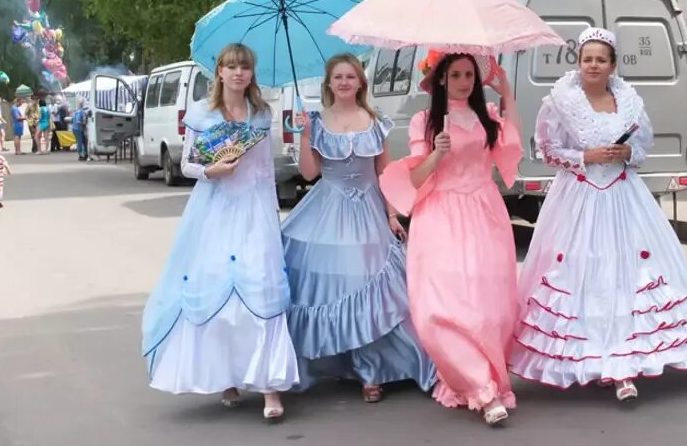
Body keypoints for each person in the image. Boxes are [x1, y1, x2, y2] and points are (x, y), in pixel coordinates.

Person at [509, 28, 687, 401]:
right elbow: (546, 149)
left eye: (600, 59)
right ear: (578, 62)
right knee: (584, 273)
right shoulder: (561, 101)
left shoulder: (628, 101)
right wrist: (587, 157)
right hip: (578, 198)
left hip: (624, 197)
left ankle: (626, 363)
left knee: (627, 272)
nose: (593, 65)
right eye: (587, 59)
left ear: (612, 65)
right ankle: (590, 358)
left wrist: (625, 154)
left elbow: (642, 144)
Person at [141, 43, 297, 421]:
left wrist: (270, 208)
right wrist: (213, 170)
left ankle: (269, 386)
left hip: (255, 211)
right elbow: (190, 163)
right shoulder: (202, 114)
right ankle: (227, 376)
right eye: (232, 67)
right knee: (217, 289)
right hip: (214, 211)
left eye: (245, 67)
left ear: (251, 73)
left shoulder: (261, 115)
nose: (239, 73)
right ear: (220, 73)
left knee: (260, 286)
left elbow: (264, 171)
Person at [281, 54, 436, 403]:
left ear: (360, 82)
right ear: (329, 83)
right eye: (338, 77)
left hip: (368, 211)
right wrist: (305, 135)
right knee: (334, 289)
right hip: (328, 211)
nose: (344, 82)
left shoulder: (375, 121)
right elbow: (309, 173)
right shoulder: (317, 121)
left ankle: (373, 371)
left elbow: (384, 173)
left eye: (350, 76)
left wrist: (392, 215)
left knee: (371, 289)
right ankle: (342, 364)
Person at [379, 52, 522, 426]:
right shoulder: (423, 121)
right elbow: (413, 178)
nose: (463, 81)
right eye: (456, 74)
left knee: (490, 303)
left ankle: (486, 376)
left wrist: (504, 88)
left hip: (484, 212)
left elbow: (510, 145)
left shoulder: (487, 115)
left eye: (469, 75)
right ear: (440, 79)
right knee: (441, 306)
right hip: (439, 215)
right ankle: (481, 389)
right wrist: (436, 155)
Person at [71, 97, 90, 161]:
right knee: (80, 142)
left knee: (83, 142)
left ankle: (85, 154)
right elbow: (78, 121)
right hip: (78, 129)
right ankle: (81, 155)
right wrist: (84, 123)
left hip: (78, 129)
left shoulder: (78, 111)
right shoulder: (80, 111)